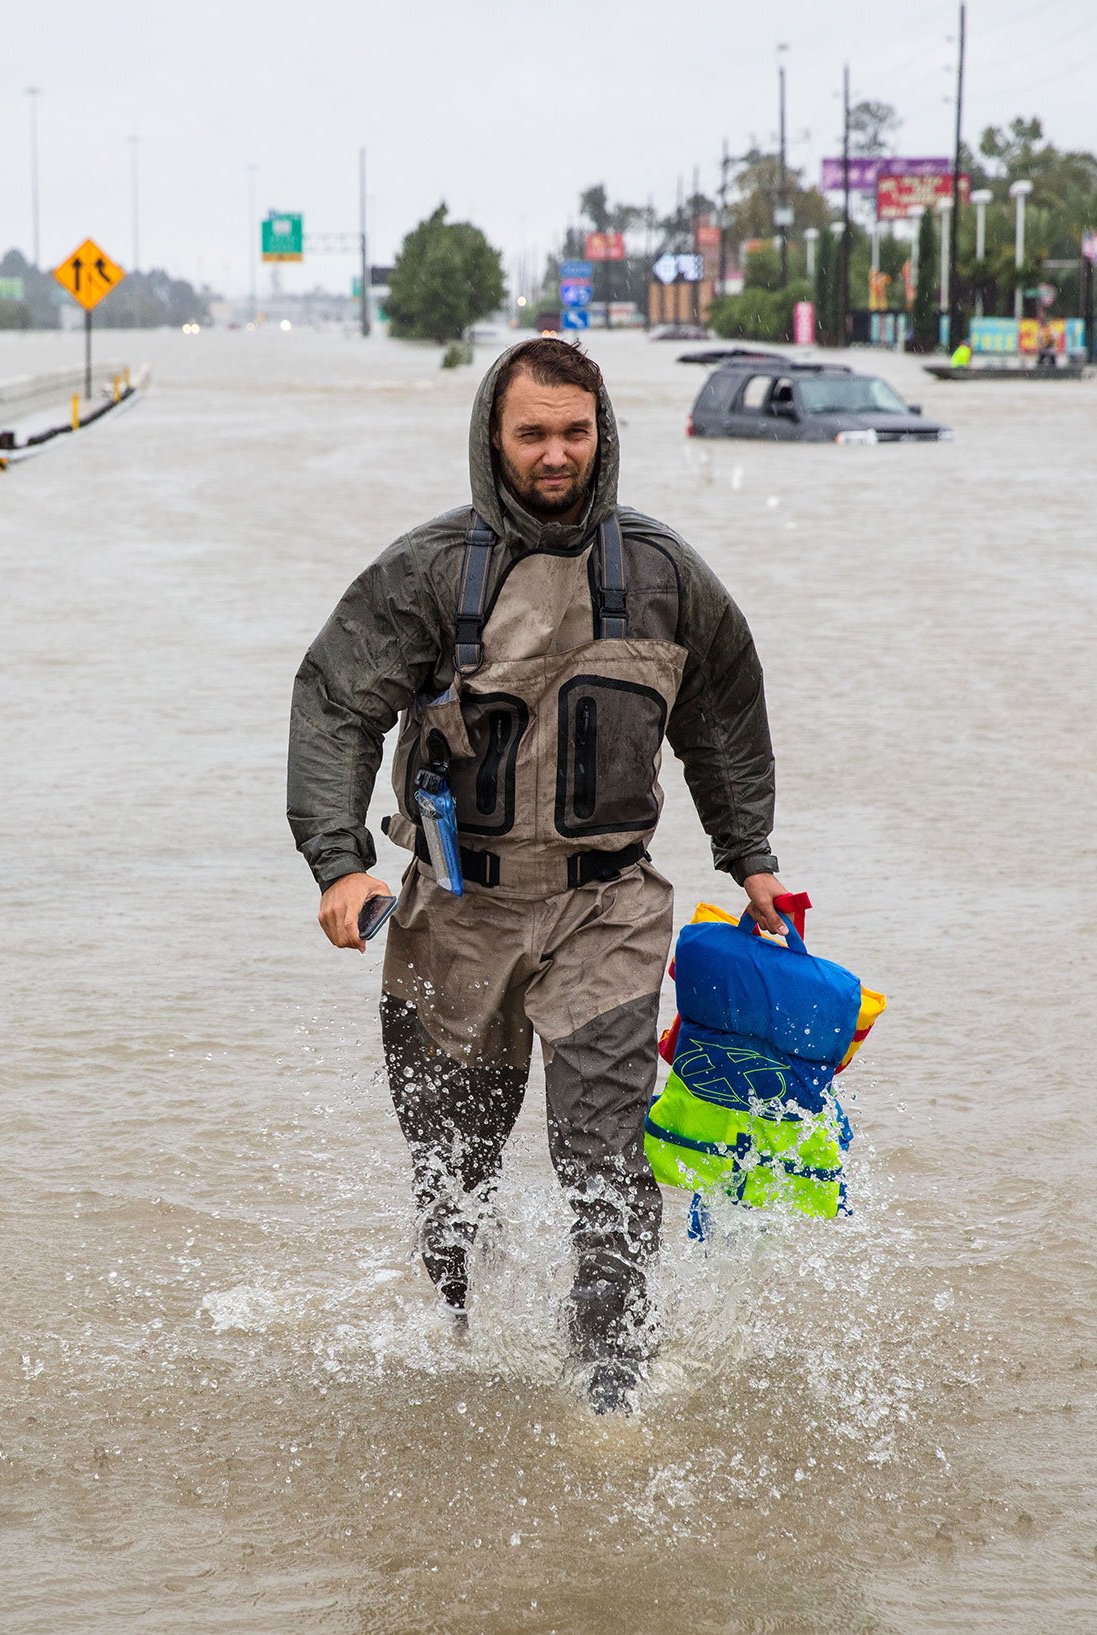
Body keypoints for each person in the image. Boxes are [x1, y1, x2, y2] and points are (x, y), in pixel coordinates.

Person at [287, 338, 788, 1416]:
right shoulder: (427, 573)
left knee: (606, 1165)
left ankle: (609, 1389)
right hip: (452, 915)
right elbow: (334, 701)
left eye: (574, 430)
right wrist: (338, 860)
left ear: (602, 430)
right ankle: (460, 1343)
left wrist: (751, 861)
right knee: (450, 1178)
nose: (555, 453)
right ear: (493, 438)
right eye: (532, 433)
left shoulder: (665, 577)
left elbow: (726, 722)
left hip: (607, 907)